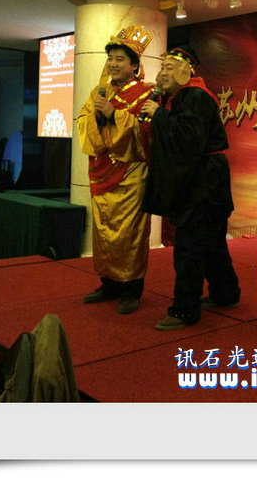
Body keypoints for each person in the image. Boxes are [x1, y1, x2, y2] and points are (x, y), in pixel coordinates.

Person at [141, 45, 240, 330]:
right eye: (163, 67)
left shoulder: (195, 97)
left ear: (186, 72)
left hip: (203, 185)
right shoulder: (181, 97)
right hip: (208, 182)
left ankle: (185, 310)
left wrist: (159, 116)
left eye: (170, 68)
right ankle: (226, 294)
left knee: (189, 248)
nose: (163, 73)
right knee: (212, 244)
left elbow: (187, 140)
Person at [76, 24, 155, 315]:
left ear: (135, 65)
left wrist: (113, 115)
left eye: (120, 59)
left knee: (129, 232)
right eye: (110, 58)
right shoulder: (99, 92)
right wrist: (98, 117)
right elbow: (83, 121)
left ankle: (131, 288)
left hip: (131, 173)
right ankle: (108, 282)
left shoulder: (147, 93)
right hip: (101, 170)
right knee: (103, 230)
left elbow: (146, 133)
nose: (113, 64)